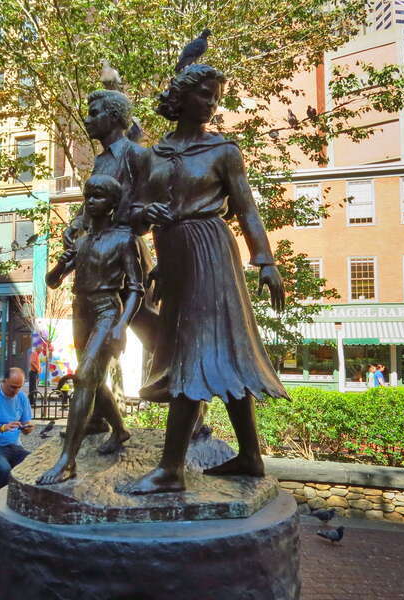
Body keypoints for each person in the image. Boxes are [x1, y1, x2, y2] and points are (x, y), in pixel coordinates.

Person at [125, 64, 287, 495]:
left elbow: (247, 208)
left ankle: (171, 468)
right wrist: (145, 214)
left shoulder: (223, 151)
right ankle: (250, 457)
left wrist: (265, 259)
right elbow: (134, 216)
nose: (212, 103)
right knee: (219, 351)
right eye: (204, 94)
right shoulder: (153, 155)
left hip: (210, 250)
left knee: (195, 350)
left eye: (216, 97)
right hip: (174, 257)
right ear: (180, 98)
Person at [64, 88, 159, 435]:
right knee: (87, 351)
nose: (87, 118)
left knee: (155, 337)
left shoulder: (138, 155)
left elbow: (152, 211)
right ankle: (99, 418)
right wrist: (77, 226)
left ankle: (190, 412)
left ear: (115, 117)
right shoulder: (102, 161)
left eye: (93, 112)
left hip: (125, 256)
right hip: (97, 254)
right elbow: (91, 202)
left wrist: (126, 218)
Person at [38, 174, 140, 485]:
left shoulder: (125, 239)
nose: (90, 201)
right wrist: (62, 261)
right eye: (88, 195)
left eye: (97, 196)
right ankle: (120, 430)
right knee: (93, 377)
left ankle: (67, 460)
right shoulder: (81, 242)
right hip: (79, 311)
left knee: (84, 378)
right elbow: (53, 282)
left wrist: (122, 326)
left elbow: (136, 288)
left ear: (111, 203)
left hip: (107, 310)